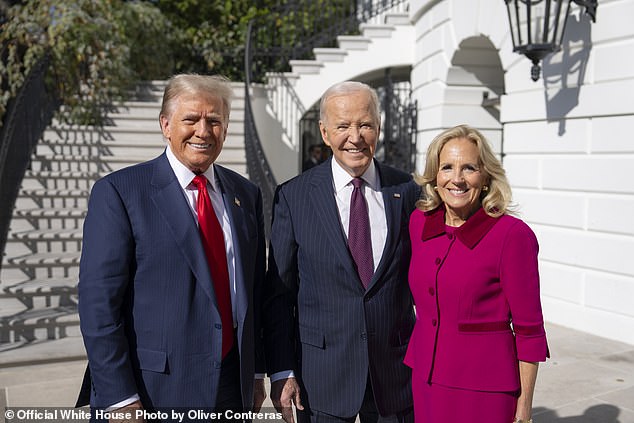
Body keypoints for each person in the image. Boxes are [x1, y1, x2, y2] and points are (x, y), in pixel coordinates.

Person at [77, 74, 267, 421]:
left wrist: (255, 372)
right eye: (191, 119)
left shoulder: (245, 195)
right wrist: (120, 397)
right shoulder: (121, 193)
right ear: (165, 125)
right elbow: (98, 306)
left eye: (215, 121)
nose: (203, 131)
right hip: (151, 390)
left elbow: (253, 291)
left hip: (229, 385)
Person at [264, 81, 419, 423]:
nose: (356, 136)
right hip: (321, 380)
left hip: (395, 377)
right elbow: (279, 295)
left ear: (378, 127)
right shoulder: (294, 196)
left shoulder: (408, 191)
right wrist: (280, 370)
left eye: (365, 124)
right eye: (343, 126)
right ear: (324, 131)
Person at [405, 124, 549, 423]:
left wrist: (524, 408)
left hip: (484, 389)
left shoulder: (511, 235)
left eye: (468, 168)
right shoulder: (419, 223)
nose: (456, 179)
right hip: (425, 380)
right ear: (435, 175)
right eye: (447, 167)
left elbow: (529, 329)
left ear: (485, 178)